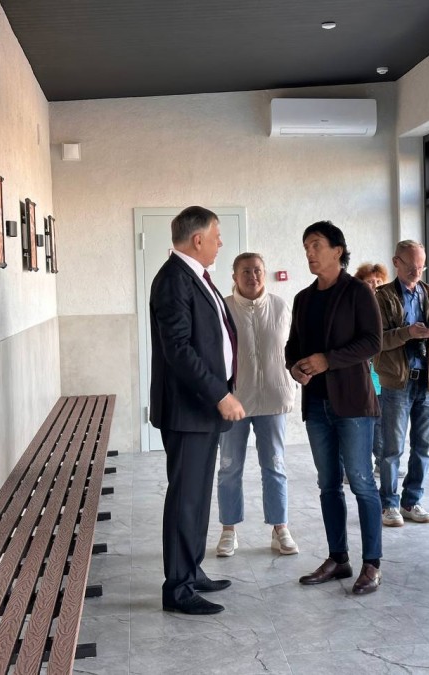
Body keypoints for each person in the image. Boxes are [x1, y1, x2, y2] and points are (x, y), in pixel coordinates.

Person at [149, 205, 245, 615]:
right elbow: (179, 351)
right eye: (216, 235)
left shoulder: (194, 276)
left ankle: (191, 569)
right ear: (198, 239)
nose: (221, 242)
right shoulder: (173, 279)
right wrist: (219, 395)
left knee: (198, 496)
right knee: (185, 500)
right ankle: (178, 588)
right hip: (189, 410)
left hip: (201, 410)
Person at [285, 221, 384, 595]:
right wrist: (295, 367)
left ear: (337, 250)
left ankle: (372, 563)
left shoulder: (358, 292)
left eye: (316, 245)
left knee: (361, 481)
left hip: (353, 403)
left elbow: (372, 342)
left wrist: (328, 359)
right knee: (328, 484)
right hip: (316, 404)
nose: (309, 252)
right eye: (306, 246)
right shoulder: (303, 298)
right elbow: (293, 346)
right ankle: (338, 558)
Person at [215, 253, 298, 557]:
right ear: (234, 277)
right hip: (235, 401)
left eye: (258, 270)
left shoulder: (280, 306)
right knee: (229, 467)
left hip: (273, 399)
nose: (253, 276)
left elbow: (293, 348)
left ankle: (280, 528)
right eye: (246, 271)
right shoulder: (222, 308)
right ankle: (228, 530)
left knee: (274, 465)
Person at [374, 241, 429, 527]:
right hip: (397, 383)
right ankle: (389, 504)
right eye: (411, 266)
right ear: (396, 262)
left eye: (421, 266)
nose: (416, 272)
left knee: (423, 448)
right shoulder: (381, 297)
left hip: (428, 382)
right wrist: (408, 332)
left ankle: (412, 501)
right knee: (392, 449)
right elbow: (376, 340)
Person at [352, 262, 390, 475]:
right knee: (358, 424)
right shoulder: (355, 307)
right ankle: (354, 468)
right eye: (369, 282)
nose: (375, 285)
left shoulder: (388, 307)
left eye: (378, 281)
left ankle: (381, 464)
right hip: (360, 375)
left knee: (381, 423)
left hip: (381, 375)